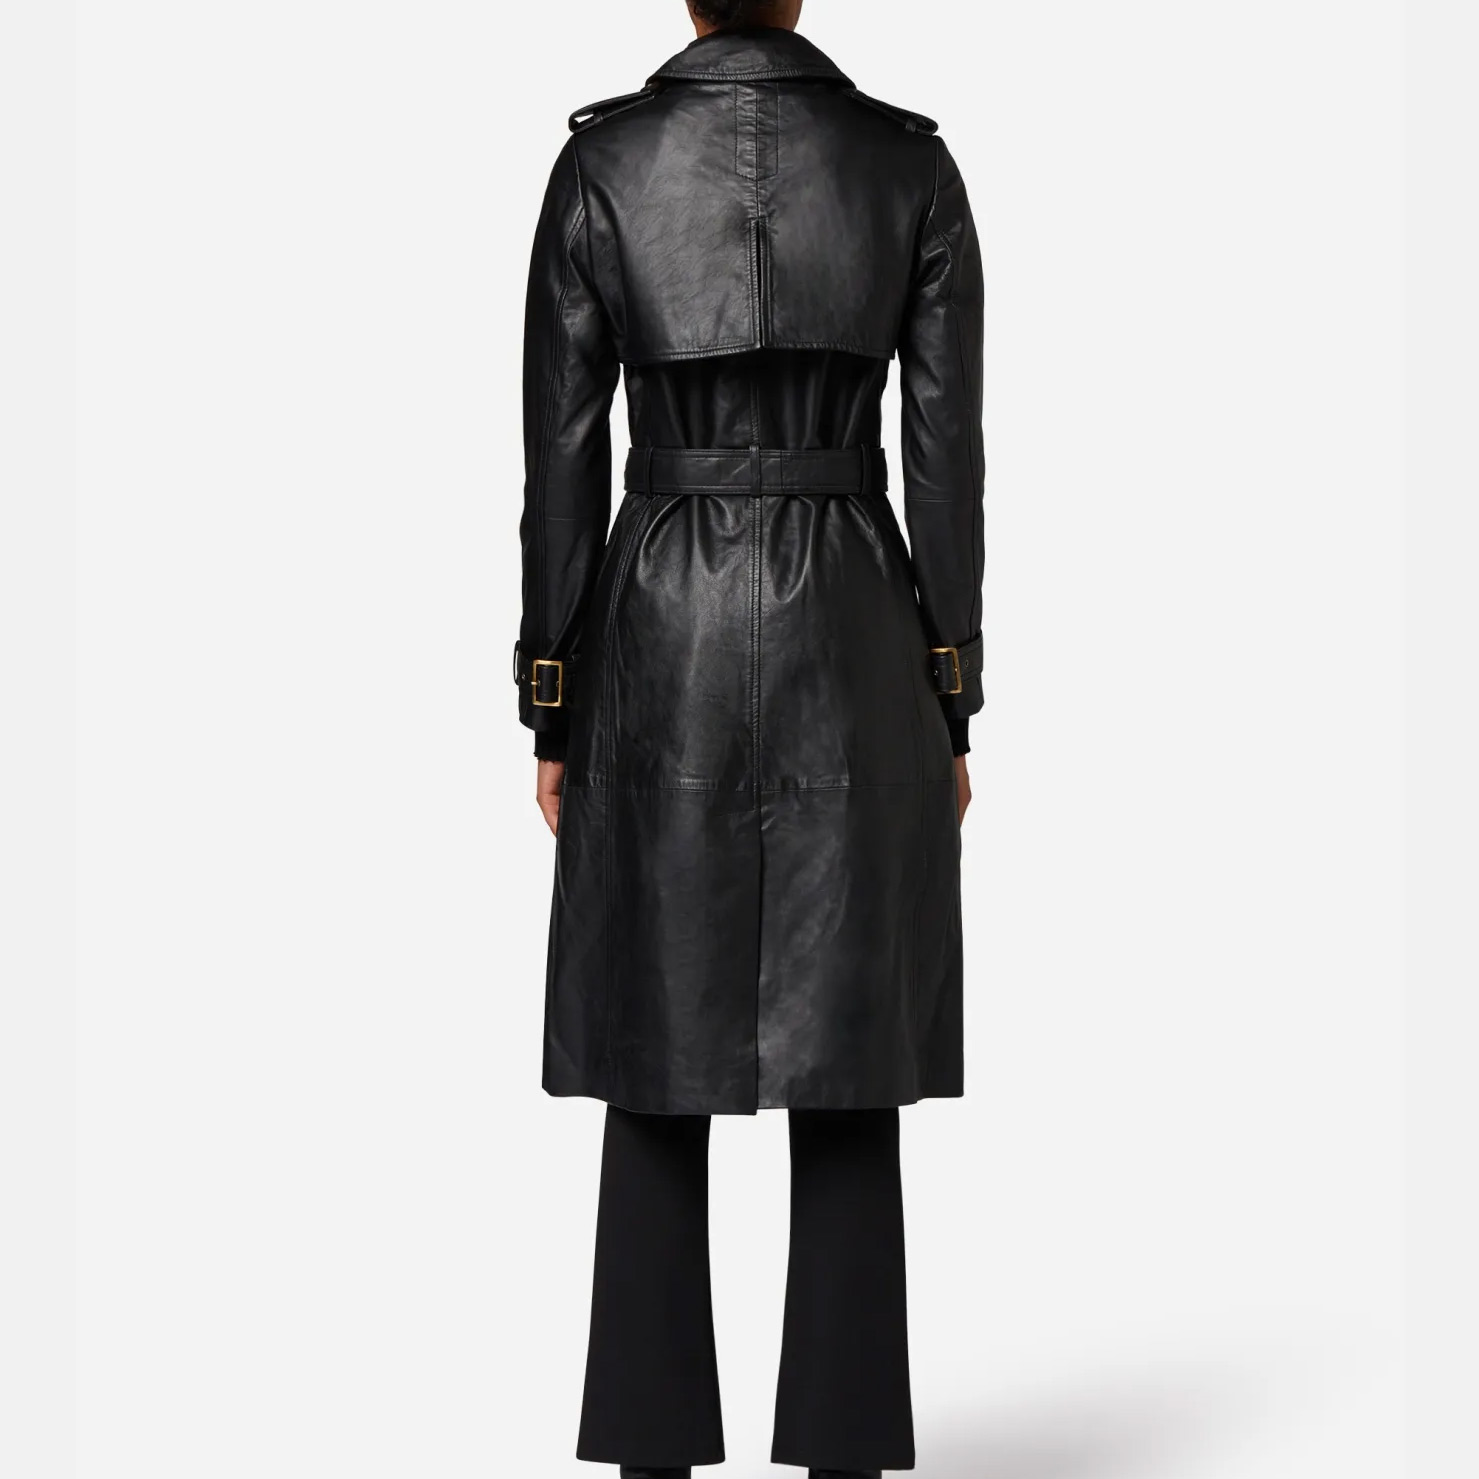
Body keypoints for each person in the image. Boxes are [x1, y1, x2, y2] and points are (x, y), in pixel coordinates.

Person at [513, 1, 983, 1473]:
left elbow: (560, 457)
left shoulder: (604, 165)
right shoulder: (907, 164)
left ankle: (652, 1449)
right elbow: (947, 462)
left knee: (655, 1053)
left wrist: (551, 693)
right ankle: (844, 1448)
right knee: (848, 1058)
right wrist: (952, 689)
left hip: (659, 625)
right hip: (857, 625)